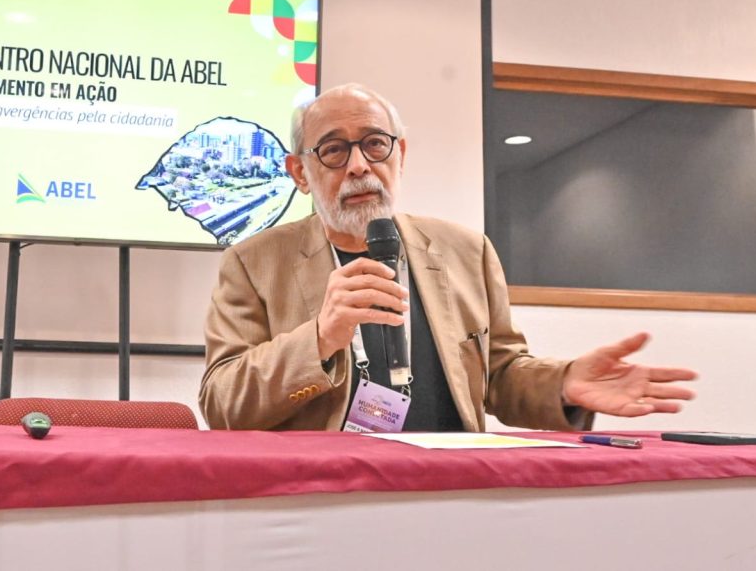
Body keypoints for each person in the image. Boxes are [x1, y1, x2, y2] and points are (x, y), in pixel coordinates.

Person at [199, 83, 697, 431]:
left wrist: (564, 385)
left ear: (400, 154)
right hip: (322, 495)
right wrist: (320, 339)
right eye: (333, 150)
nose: (358, 166)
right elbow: (222, 404)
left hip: (449, 490)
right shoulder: (253, 263)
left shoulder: (466, 251)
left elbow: (501, 376)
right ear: (299, 173)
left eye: (375, 144)